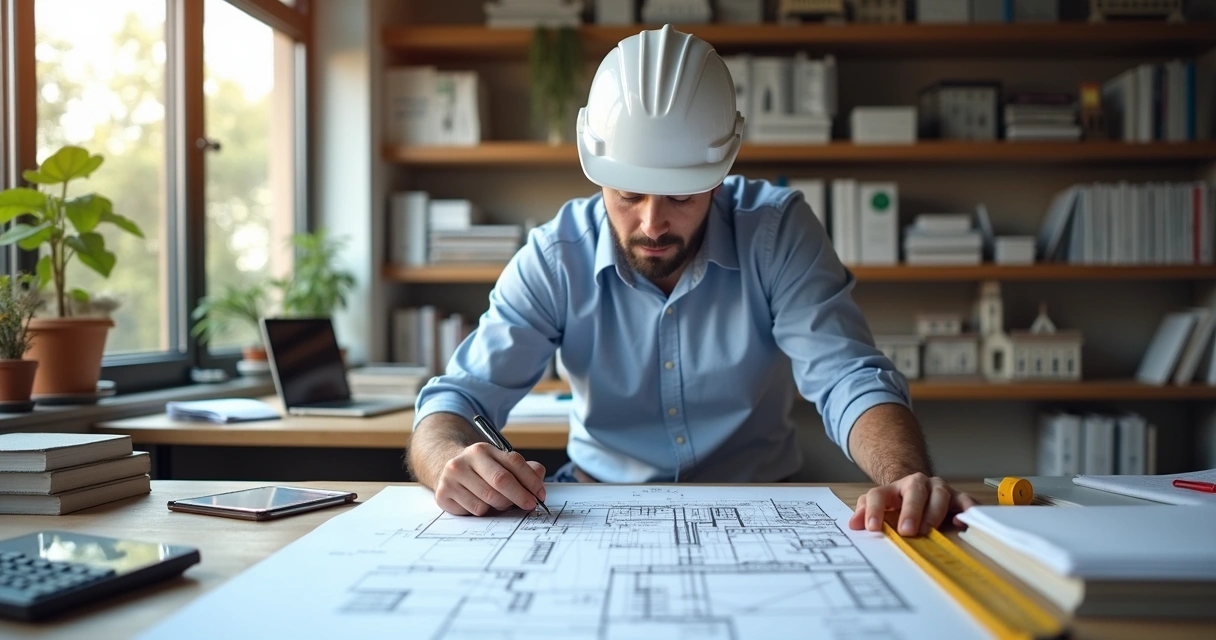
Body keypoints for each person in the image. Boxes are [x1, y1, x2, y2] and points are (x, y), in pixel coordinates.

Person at [407, 25, 978, 537]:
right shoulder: (557, 255)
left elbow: (848, 377)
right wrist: (448, 461)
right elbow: (455, 399)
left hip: (761, 508)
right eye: (629, 195)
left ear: (719, 176)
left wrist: (905, 477)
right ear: (598, 175)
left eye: (680, 196)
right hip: (594, 507)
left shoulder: (777, 233)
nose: (652, 223)